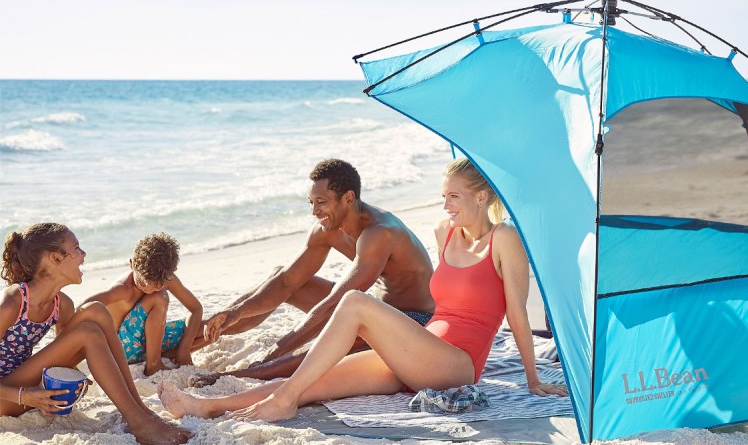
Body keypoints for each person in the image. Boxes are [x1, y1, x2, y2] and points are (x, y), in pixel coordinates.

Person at [159, 158, 567, 422]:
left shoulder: (504, 239)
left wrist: (532, 379)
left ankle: (278, 403)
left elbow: (517, 311)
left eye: (454, 197)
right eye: (443, 196)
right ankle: (204, 406)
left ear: (482, 197)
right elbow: (288, 281)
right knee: (313, 380)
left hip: (456, 364)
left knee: (355, 302)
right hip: (417, 352)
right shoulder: (445, 233)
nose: (445, 207)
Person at [191, 158, 436, 385]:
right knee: (281, 276)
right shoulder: (327, 230)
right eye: (311, 202)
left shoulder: (380, 232)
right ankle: (192, 339)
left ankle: (245, 374)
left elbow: (333, 304)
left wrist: (274, 353)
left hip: (415, 321)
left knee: (346, 333)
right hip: (375, 309)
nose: (314, 211)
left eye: (321, 202)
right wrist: (235, 312)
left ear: (348, 198)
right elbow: (288, 282)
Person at [0, 223, 191, 445]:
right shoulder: (12, 302)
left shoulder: (62, 306)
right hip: (7, 396)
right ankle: (138, 421)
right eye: (77, 248)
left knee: (96, 311)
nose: (83, 254)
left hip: (27, 385)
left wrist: (73, 380)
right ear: (55, 258)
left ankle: (139, 409)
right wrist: (26, 396)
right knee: (87, 331)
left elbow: (65, 357)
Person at [82, 232, 203, 376]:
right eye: (143, 283)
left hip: (147, 342)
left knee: (207, 328)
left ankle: (173, 354)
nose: (149, 290)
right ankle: (153, 365)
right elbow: (84, 307)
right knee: (159, 297)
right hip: (122, 348)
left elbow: (196, 309)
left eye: (157, 286)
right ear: (132, 264)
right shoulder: (123, 289)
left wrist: (184, 349)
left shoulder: (165, 277)